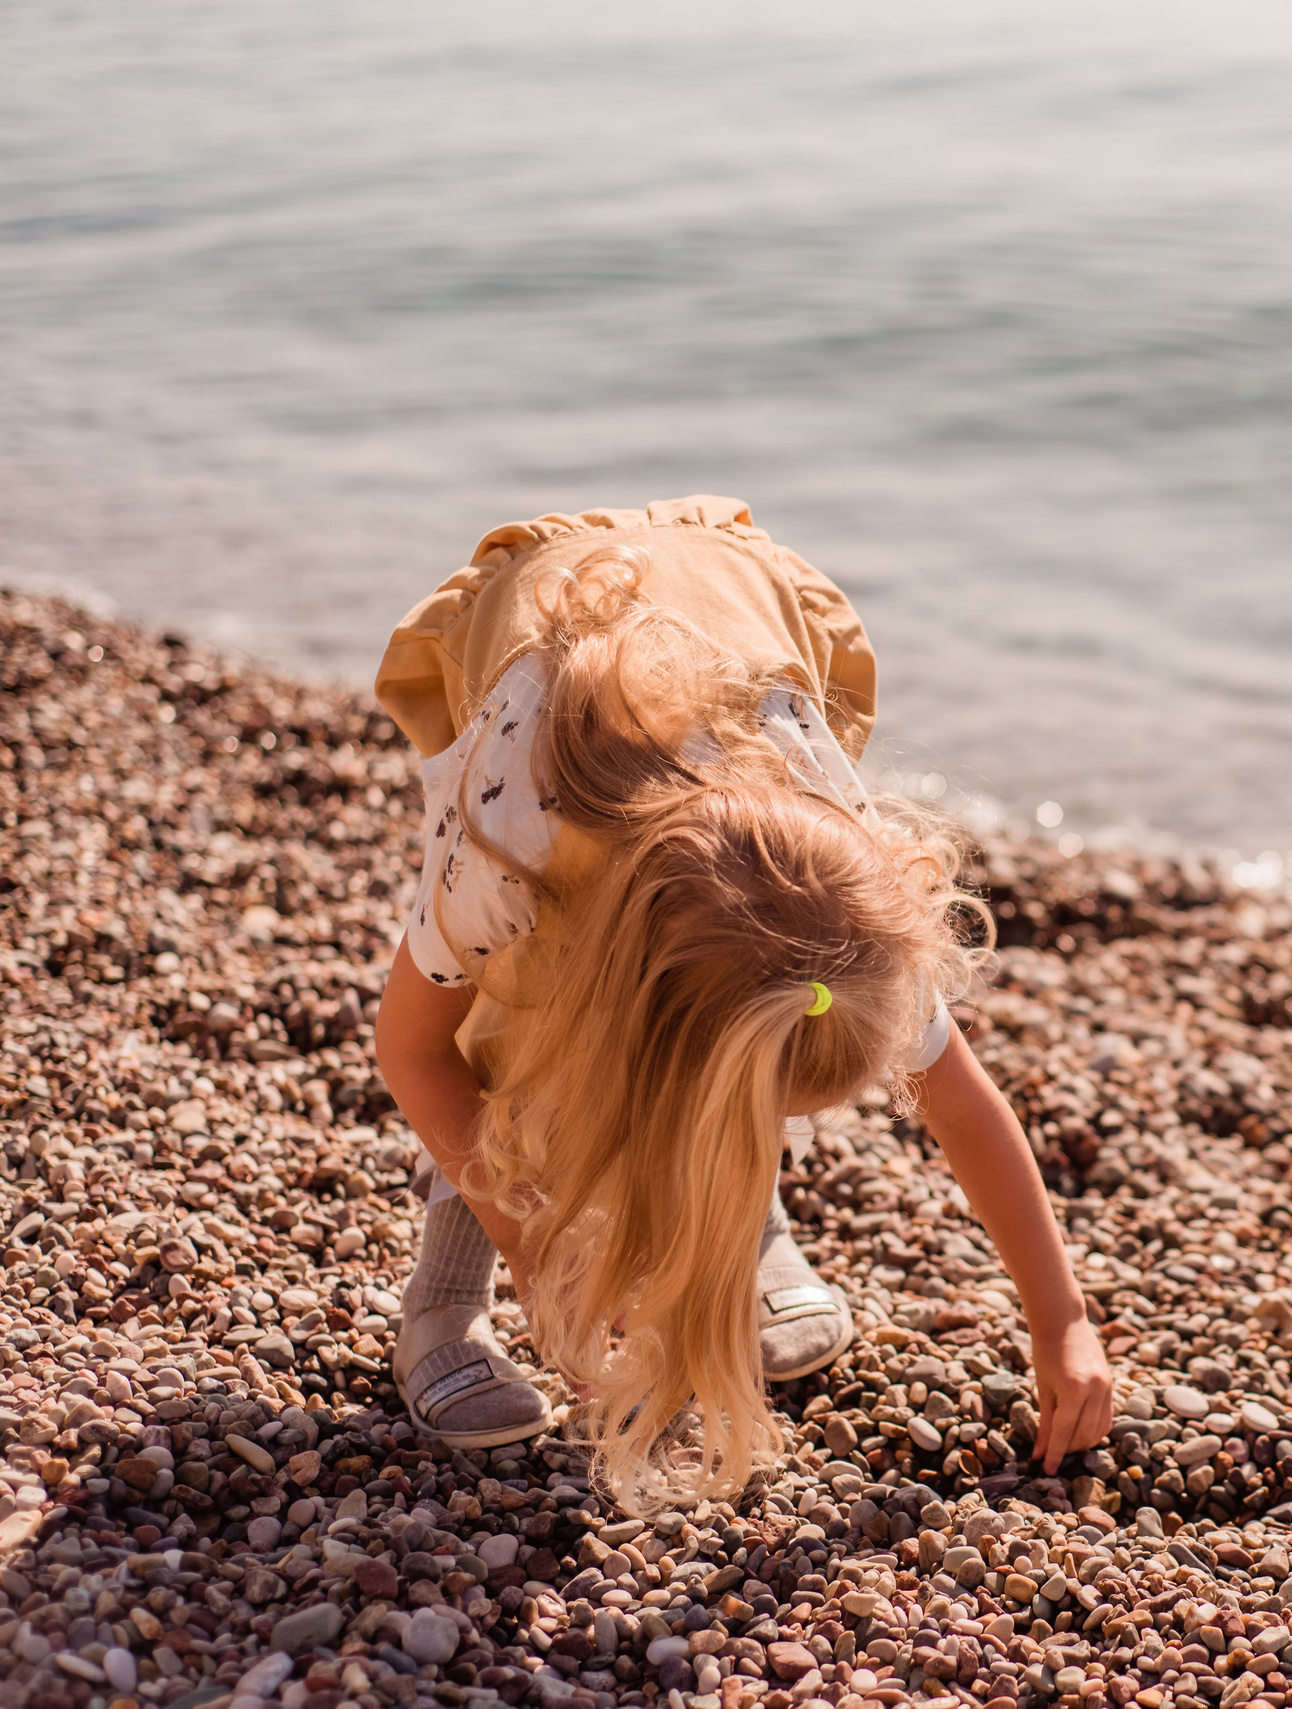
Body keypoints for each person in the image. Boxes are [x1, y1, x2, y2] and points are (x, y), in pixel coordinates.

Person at [368, 496, 1113, 1512]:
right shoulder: (510, 837)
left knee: (736, 1042)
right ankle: (443, 1299)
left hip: (735, 615)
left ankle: (754, 1232)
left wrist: (1062, 1321)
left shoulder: (849, 916)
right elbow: (415, 1051)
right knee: (513, 1022)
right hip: (544, 646)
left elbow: (966, 1104)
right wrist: (535, 1250)